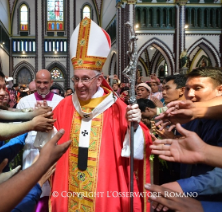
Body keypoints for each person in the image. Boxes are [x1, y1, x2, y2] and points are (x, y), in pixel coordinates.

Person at [50, 17, 152, 211]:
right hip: (68, 188)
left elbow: (141, 145)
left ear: (99, 80)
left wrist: (136, 127)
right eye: (76, 78)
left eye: (86, 79)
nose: (79, 84)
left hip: (106, 189)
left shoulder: (117, 108)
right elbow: (49, 145)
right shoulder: (63, 107)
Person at [152, 67, 222, 212]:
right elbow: (187, 160)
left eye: (198, 88)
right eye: (187, 88)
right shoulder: (189, 121)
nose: (190, 95)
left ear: (220, 90)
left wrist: (182, 187)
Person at [17, 69, 64, 211]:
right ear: (34, 82)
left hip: (53, 153)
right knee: (31, 187)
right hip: (31, 152)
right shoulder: (25, 102)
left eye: (45, 82)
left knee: (52, 189)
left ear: (51, 82)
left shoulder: (61, 102)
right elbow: (17, 128)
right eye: (39, 82)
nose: (42, 86)